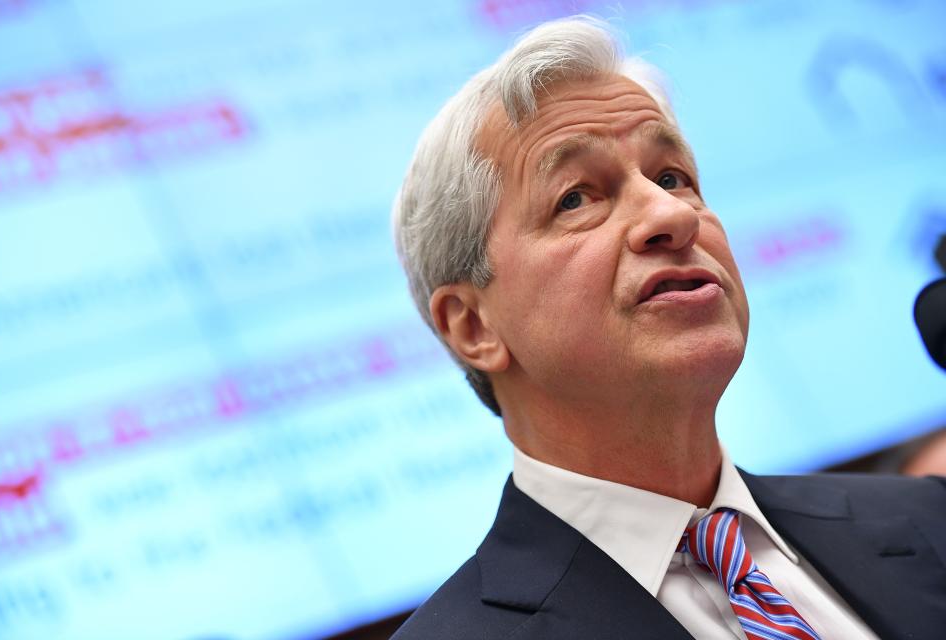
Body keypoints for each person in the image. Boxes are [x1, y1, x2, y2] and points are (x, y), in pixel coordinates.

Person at [390, 16, 946, 640]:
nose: (671, 215)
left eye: (672, 177)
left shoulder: (931, 522)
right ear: (472, 327)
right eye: (576, 197)